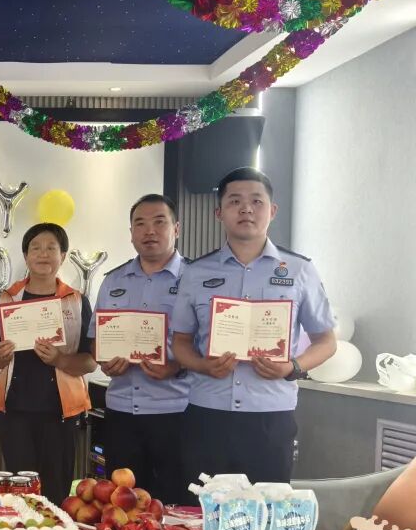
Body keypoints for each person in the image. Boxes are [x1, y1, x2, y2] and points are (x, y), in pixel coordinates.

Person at [171, 167, 337, 487]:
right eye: (234, 201)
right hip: (207, 415)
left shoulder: (300, 270)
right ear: (219, 213)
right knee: (200, 510)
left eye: (256, 201)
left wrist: (292, 367)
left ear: (272, 211)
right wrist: (203, 365)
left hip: (270, 418)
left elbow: (326, 341)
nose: (246, 209)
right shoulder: (196, 272)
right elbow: (180, 342)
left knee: (267, 510)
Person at [87, 194, 189, 504]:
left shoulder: (196, 280)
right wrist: (104, 360)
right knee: (123, 506)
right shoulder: (113, 280)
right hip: (122, 413)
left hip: (176, 412)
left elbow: (211, 343)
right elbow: (96, 338)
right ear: (131, 233)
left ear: (176, 228)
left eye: (159, 222)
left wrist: (176, 366)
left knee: (174, 505)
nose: (149, 231)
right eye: (140, 224)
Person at [0, 223, 96, 501]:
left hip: (61, 412)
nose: (43, 254)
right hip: (14, 410)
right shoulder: (7, 298)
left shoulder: (76, 301)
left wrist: (60, 359)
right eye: (35, 248)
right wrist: (0, 355)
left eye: (51, 248)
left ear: (63, 256)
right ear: (26, 256)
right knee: (21, 493)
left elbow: (90, 362)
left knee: (57, 491)